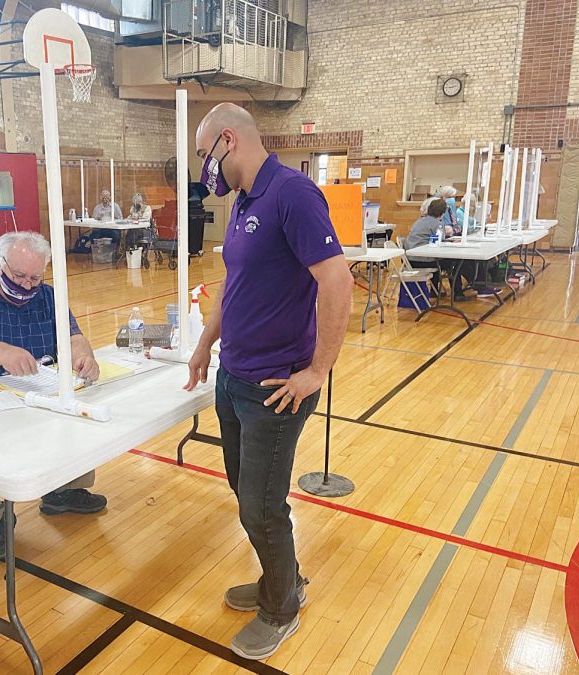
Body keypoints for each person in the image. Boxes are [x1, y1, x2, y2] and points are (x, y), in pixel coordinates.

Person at [185, 103, 353, 661]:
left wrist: (318, 370)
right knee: (246, 493)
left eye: (204, 155)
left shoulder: (293, 193)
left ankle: (281, 606)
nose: (202, 170)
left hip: (275, 388)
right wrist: (206, 344)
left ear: (227, 140)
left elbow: (336, 280)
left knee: (261, 506)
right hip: (233, 376)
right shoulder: (242, 201)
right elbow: (234, 282)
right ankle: (280, 580)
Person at [0, 231, 107, 562]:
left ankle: (64, 489)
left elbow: (74, 336)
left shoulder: (48, 297)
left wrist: (84, 355)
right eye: (18, 276)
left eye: (35, 278)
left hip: (26, 400)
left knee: (75, 418)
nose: (26, 286)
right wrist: (0, 353)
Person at [404, 198, 471, 300]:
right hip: (423, 260)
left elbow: (433, 241)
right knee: (455, 262)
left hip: (410, 260)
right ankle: (458, 293)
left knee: (437, 259)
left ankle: (434, 291)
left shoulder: (419, 221)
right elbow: (438, 243)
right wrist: (451, 242)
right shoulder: (437, 224)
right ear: (442, 213)